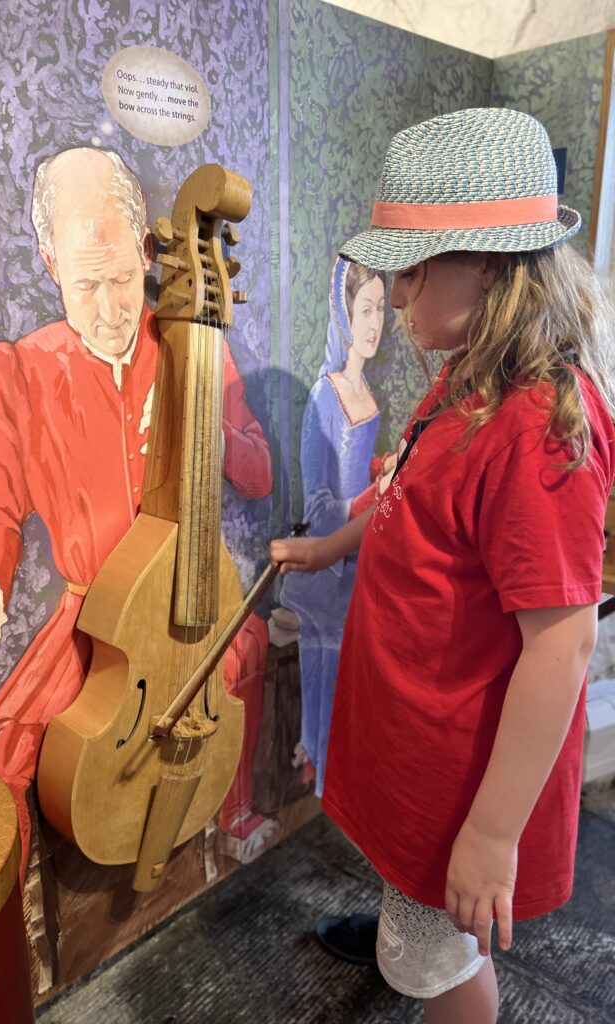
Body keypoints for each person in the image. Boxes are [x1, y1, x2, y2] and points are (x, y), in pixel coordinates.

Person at [271, 107, 615, 1023]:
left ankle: (419, 957)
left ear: (496, 268)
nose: (399, 290)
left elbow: (562, 646)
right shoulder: (466, 377)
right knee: (413, 905)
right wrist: (333, 543)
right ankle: (402, 923)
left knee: (440, 958)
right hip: (417, 736)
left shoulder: (538, 427)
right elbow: (403, 489)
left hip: (465, 773)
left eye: (415, 271)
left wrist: (493, 834)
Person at [0, 147, 275, 878]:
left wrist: (202, 419)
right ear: (50, 264)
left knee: (242, 658)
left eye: (123, 279)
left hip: (184, 606)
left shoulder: (189, 346)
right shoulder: (17, 375)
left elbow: (258, 469)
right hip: (91, 624)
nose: (113, 309)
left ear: (147, 250)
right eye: (87, 285)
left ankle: (226, 820)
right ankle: (19, 942)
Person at [280, 257, 393, 796]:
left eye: (380, 309)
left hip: (357, 560)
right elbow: (320, 497)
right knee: (326, 673)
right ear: (342, 314)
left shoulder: (367, 395)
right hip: (326, 569)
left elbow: (356, 468)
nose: (374, 322)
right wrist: (376, 495)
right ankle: (320, 773)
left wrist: (380, 470)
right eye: (364, 309)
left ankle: (338, 779)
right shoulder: (326, 395)